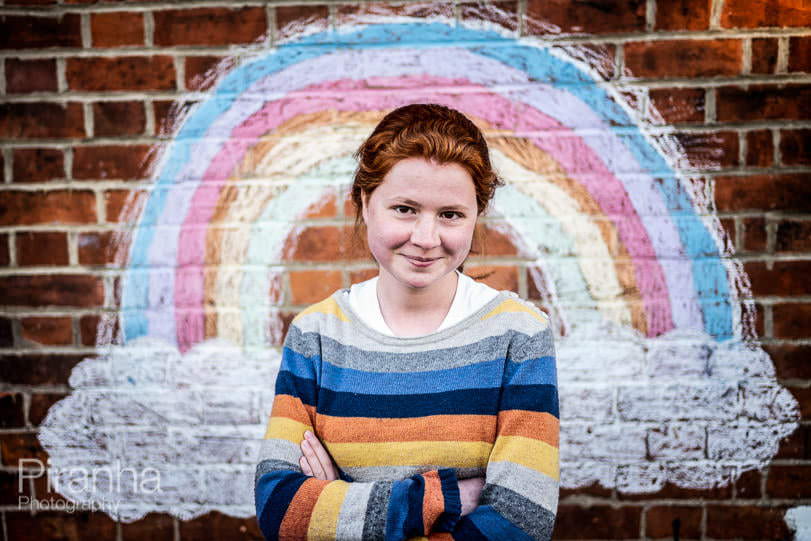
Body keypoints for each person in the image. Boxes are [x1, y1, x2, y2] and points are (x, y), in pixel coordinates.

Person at [254, 103, 559, 540]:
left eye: (450, 214)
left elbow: (521, 521)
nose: (425, 238)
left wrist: (341, 505)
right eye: (405, 209)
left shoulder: (519, 335)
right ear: (365, 202)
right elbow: (281, 511)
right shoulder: (316, 335)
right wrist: (447, 498)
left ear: (476, 215)